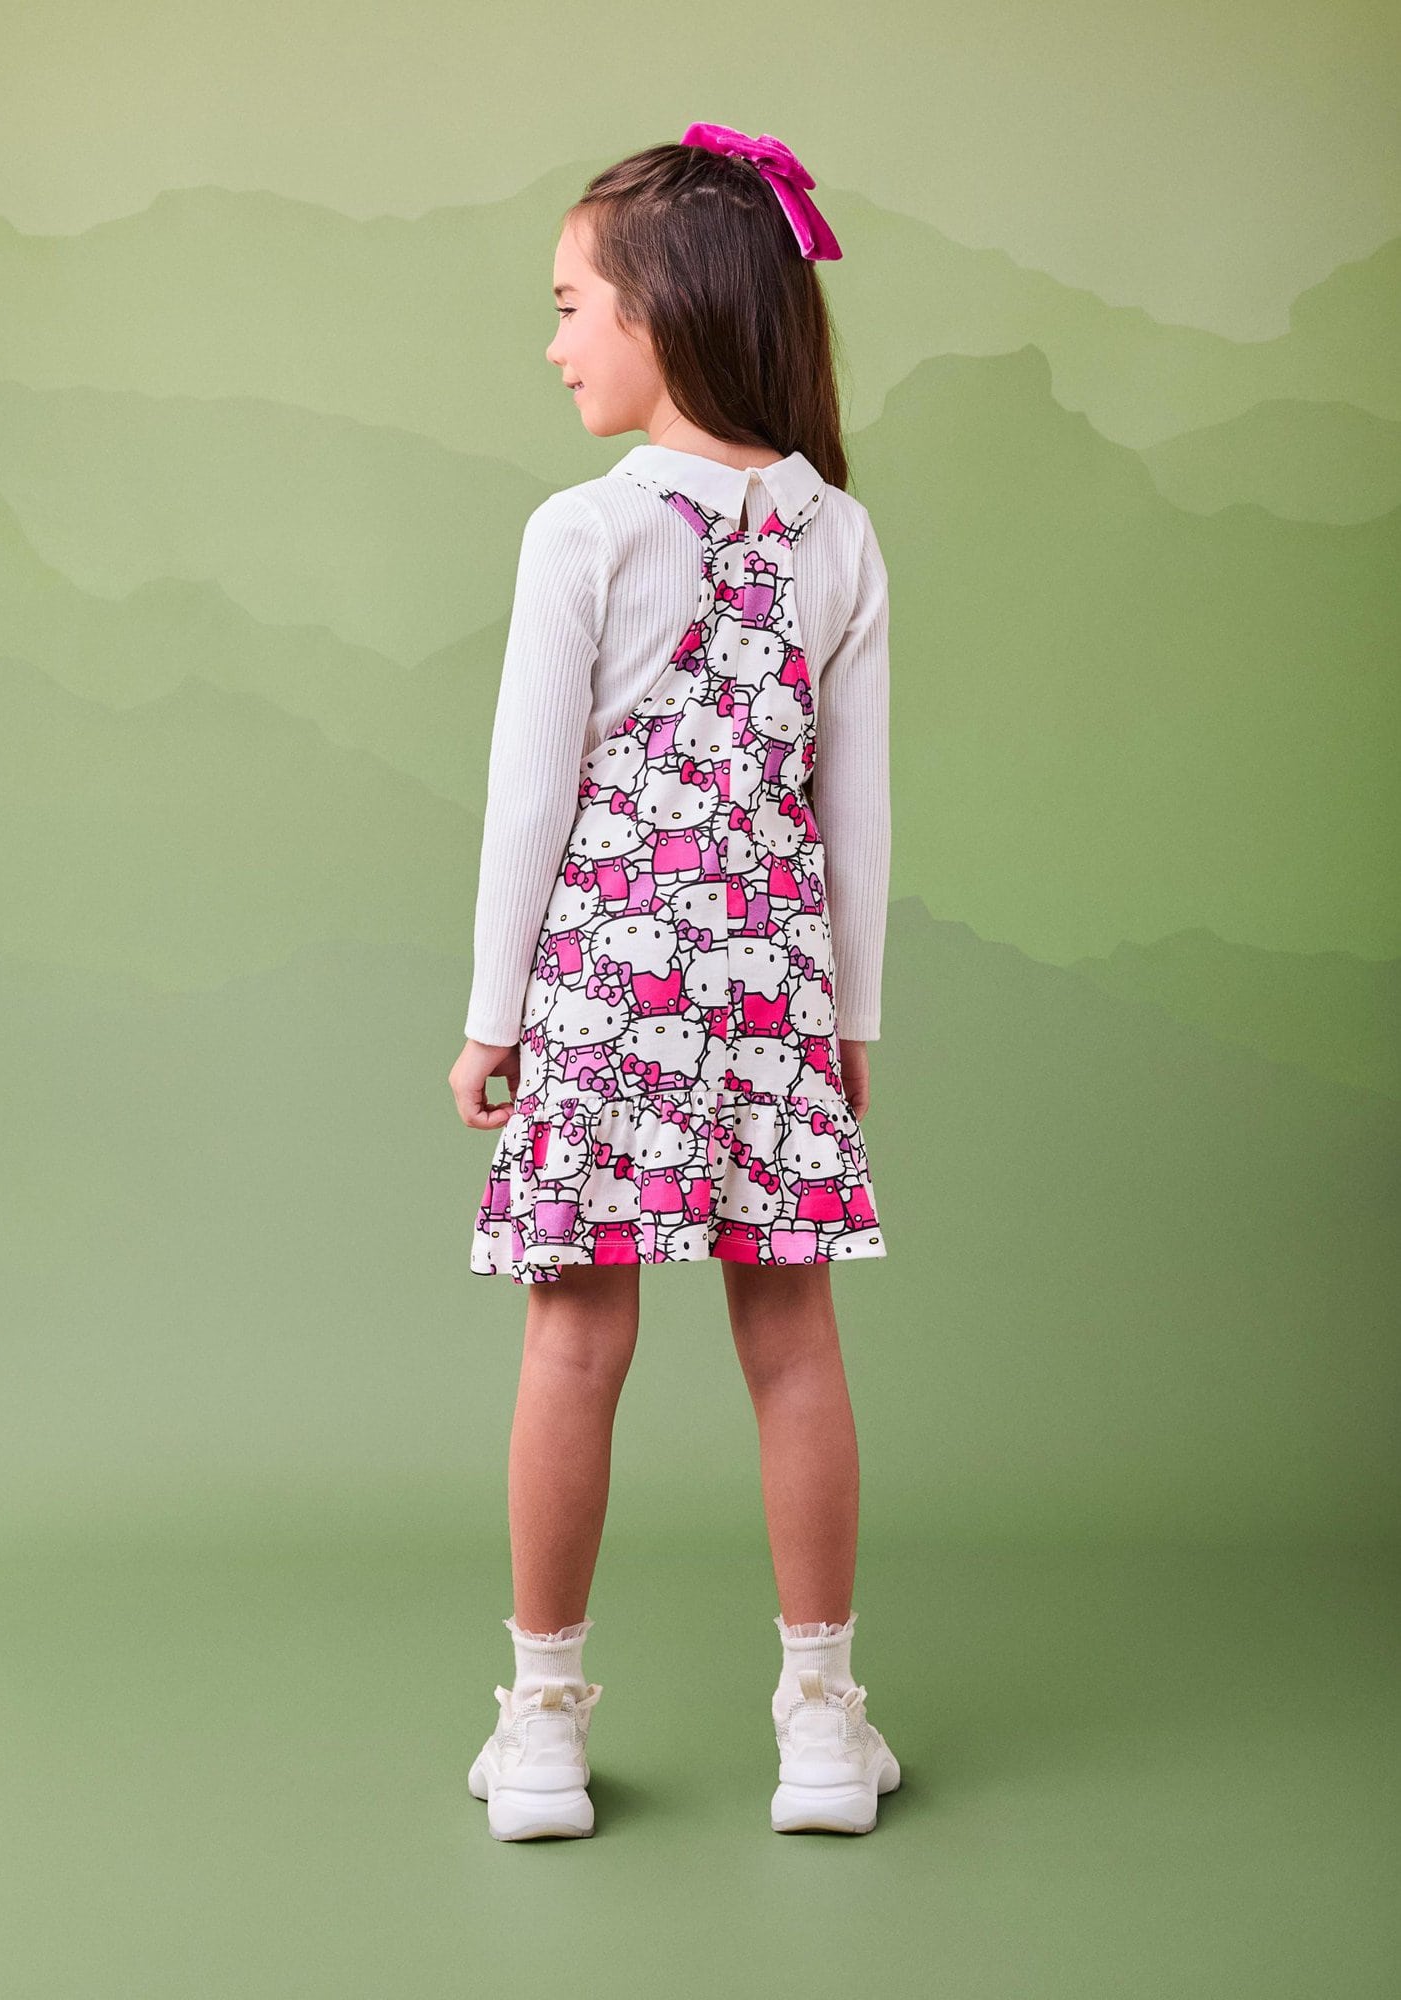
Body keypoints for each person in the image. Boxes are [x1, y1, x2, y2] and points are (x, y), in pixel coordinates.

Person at [449, 124, 899, 1840]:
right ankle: (820, 1726)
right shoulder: (837, 537)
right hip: (773, 989)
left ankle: (541, 1730)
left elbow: (529, 800)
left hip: (605, 995)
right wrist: (850, 1025)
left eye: (571, 305)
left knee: (575, 1341)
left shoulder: (583, 529)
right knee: (791, 1342)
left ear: (663, 310)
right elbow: (854, 817)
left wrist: (493, 1020)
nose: (551, 343)